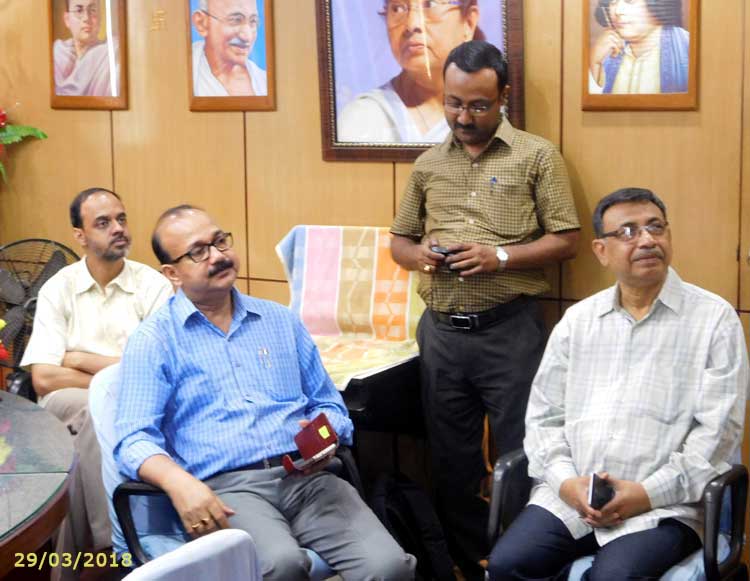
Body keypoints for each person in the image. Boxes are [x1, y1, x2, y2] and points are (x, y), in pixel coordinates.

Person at [114, 205, 415, 581]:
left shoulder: (280, 321)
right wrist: (179, 483)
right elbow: (133, 439)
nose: (218, 255)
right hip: (227, 490)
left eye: (220, 241)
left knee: (389, 567)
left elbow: (328, 404)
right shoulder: (155, 340)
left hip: (308, 478)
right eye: (199, 251)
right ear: (172, 273)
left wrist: (326, 434)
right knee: (282, 565)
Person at [390, 40, 580, 579]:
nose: (463, 117)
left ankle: (521, 561)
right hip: (442, 334)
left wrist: (498, 256)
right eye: (453, 103)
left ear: (503, 98)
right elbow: (399, 242)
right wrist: (421, 256)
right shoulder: (428, 164)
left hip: (509, 330)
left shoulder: (537, 155)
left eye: (477, 105)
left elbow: (567, 239)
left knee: (524, 453)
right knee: (451, 459)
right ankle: (469, 564)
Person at [488, 188, 748, 580]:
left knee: (613, 577)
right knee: (509, 564)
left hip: (666, 506)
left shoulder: (714, 320)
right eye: (628, 232)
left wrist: (646, 494)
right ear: (601, 250)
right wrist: (566, 483)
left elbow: (719, 435)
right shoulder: (578, 321)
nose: (646, 240)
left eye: (655, 227)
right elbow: (544, 419)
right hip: (572, 499)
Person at [21, 187, 172, 580]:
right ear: (80, 235)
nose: (117, 228)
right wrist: (113, 376)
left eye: (121, 219)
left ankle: (73, 570)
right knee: (95, 409)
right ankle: (113, 540)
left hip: (132, 401)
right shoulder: (59, 288)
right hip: (65, 403)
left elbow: (154, 371)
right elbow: (44, 377)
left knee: (81, 453)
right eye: (103, 223)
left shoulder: (153, 286)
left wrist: (80, 359)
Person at [337, 0, 482, 143]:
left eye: (430, 4)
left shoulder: (490, 118)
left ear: (468, 23)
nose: (412, 24)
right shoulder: (365, 119)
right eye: (398, 8)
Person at [589, 0, 689, 94]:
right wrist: (595, 62)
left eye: (629, 1)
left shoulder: (688, 48)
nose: (618, 11)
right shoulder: (605, 53)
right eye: (613, 1)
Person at [191, 0, 268, 97]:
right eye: (236, 20)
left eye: (253, 21)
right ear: (202, 23)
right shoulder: (183, 73)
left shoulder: (263, 81)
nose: (247, 36)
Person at [53, 0, 119, 97]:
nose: (86, 18)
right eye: (79, 11)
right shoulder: (57, 53)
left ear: (100, 17)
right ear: (67, 19)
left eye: (92, 10)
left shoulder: (112, 53)